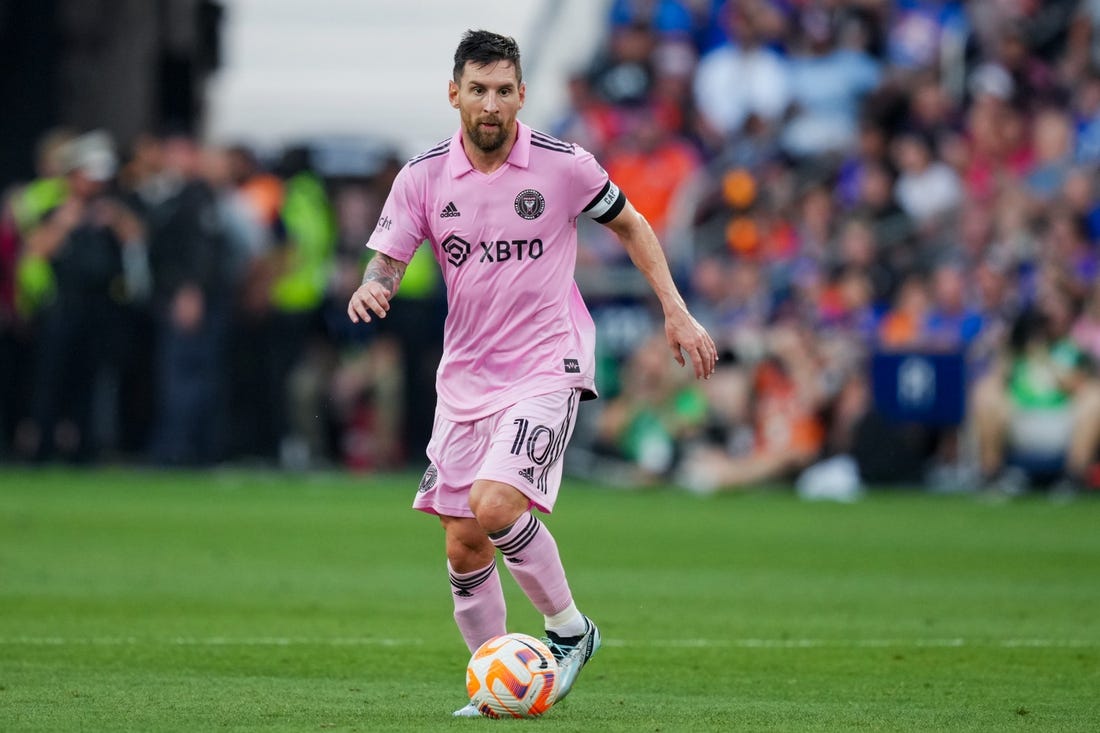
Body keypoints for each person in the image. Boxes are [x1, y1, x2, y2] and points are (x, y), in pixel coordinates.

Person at [346, 30, 717, 717]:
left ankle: (571, 630)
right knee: (462, 542)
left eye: (504, 90)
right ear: (454, 93)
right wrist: (376, 284)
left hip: (548, 361)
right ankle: (494, 689)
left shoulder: (563, 164)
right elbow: (388, 256)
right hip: (466, 375)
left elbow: (632, 223)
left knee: (495, 505)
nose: (491, 103)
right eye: (478, 89)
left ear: (522, 95)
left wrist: (676, 310)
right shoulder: (423, 175)